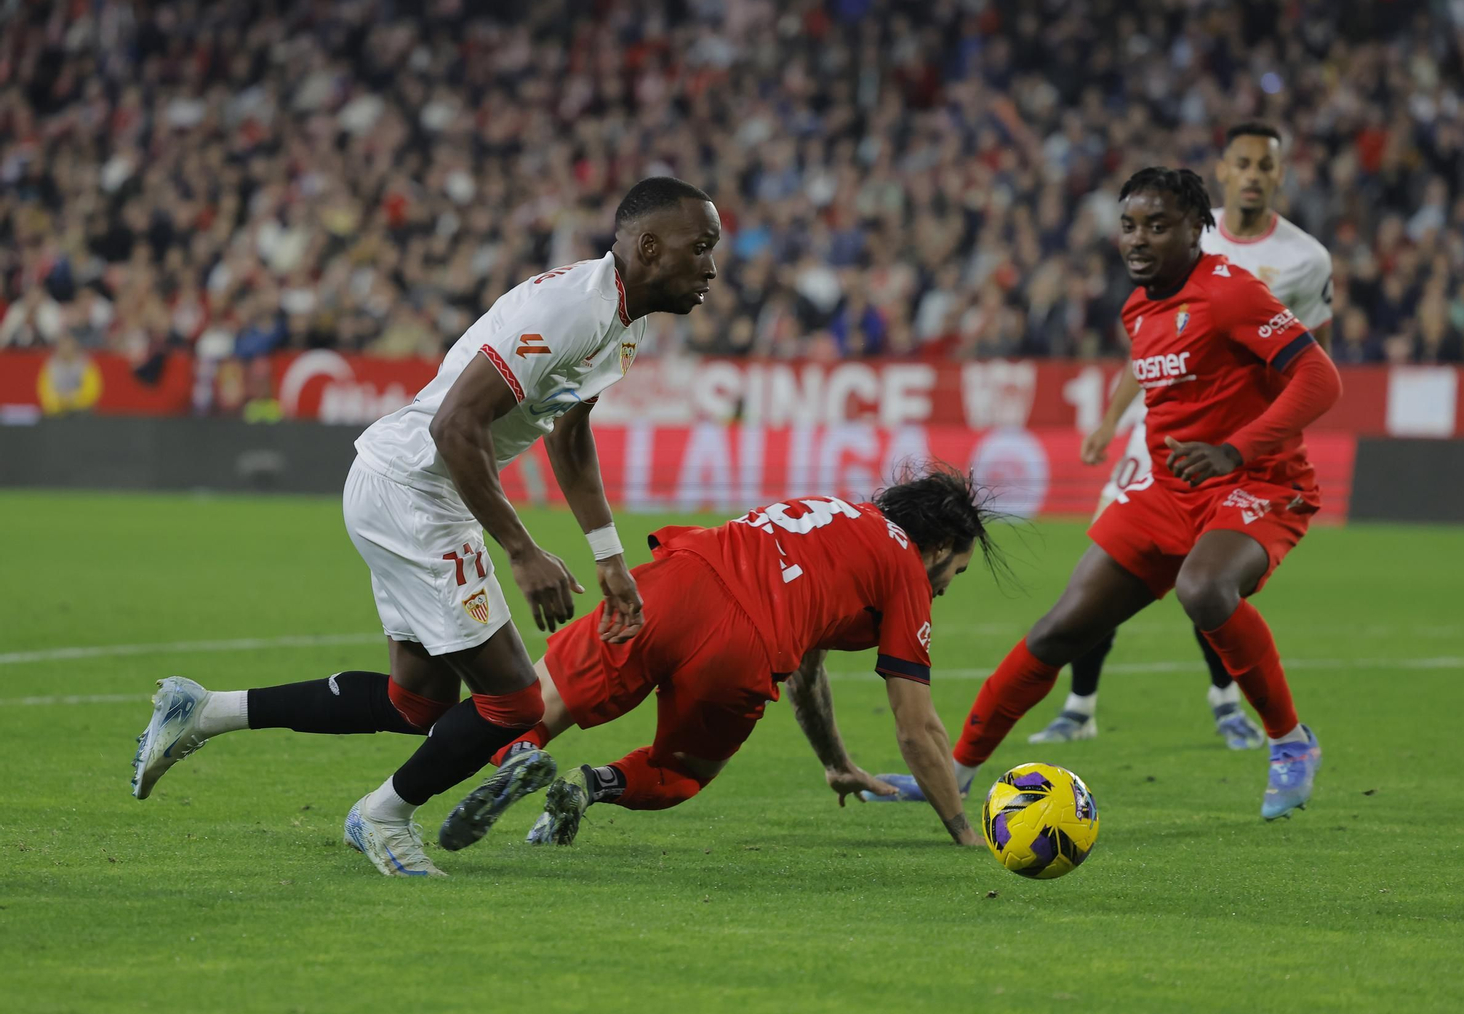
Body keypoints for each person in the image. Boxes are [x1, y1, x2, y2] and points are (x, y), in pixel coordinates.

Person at [130, 176, 721, 877]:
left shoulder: (625, 322)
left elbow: (568, 434)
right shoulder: (570, 309)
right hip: (416, 487)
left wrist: (608, 554)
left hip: (413, 486)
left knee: (417, 700)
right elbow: (454, 423)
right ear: (650, 247)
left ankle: (201, 712)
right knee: (514, 701)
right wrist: (522, 551)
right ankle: (381, 815)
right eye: (702, 246)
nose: (712, 266)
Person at [870, 167, 1341, 820]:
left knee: (1203, 590)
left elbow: (1320, 380)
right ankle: (953, 770)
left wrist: (1236, 449)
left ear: (1197, 228)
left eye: (1158, 225)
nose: (1139, 239)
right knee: (1060, 629)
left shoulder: (1233, 295)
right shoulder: (1137, 307)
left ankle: (1291, 743)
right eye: (1129, 226)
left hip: (1256, 481)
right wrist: (1117, 428)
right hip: (1166, 491)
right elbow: (1168, 385)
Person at [436, 466, 1001, 854]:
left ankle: (521, 755)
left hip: (680, 578)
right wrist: (963, 832)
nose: (949, 584)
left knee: (537, 699)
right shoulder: (906, 572)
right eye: (958, 569)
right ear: (940, 546)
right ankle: (592, 785)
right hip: (744, 646)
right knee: (682, 771)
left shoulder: (837, 513)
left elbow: (809, 672)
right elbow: (916, 727)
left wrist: (836, 762)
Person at [1031, 123, 1335, 751]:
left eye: (1265, 166)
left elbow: (1312, 357)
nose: (1253, 174)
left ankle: (1226, 700)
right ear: (1223, 171)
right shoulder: (1175, 222)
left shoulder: (1307, 259)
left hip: (1231, 442)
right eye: (1242, 163)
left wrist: (1259, 437)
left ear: (1279, 175)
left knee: (1208, 575)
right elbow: (1148, 346)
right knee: (1106, 569)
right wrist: (1113, 419)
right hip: (1158, 438)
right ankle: (1079, 704)